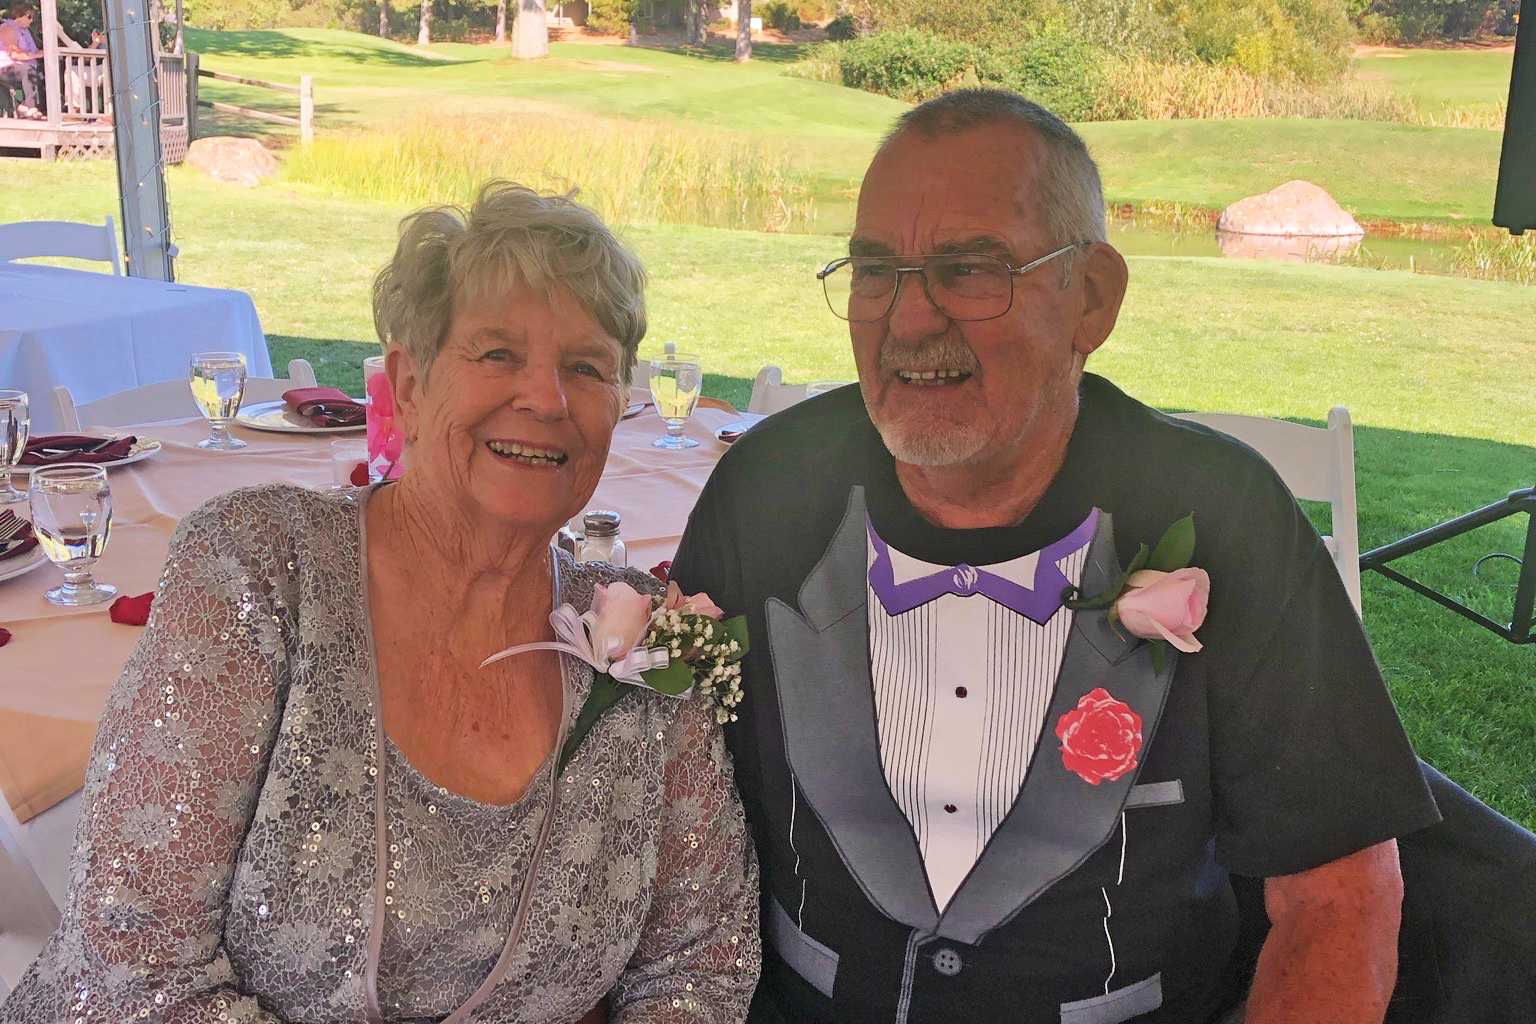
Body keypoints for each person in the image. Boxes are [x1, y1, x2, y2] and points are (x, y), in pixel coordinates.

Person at [669, 89, 1440, 1024]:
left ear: (1093, 299)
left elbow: (1338, 895)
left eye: (969, 269)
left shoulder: (1225, 515)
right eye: (876, 269)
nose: (908, 322)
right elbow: (660, 825)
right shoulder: (766, 490)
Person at [2, 181, 761, 1023]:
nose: (547, 399)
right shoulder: (264, 568)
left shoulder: (646, 642)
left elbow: (702, 961)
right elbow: (133, 963)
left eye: (585, 368)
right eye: (498, 354)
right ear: (408, 380)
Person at [0, 2, 43, 118]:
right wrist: (36, 55)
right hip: (5, 67)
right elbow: (14, 54)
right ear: (18, 15)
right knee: (27, 71)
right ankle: (30, 106)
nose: (31, 20)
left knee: (45, 73)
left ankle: (40, 107)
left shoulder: (25, 32)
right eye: (29, 16)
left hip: (20, 65)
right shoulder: (8, 29)